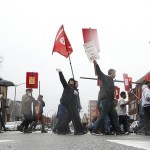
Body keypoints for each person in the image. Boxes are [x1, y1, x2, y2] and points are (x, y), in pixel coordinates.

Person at [90, 60, 122, 135]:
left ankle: (118, 130)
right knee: (103, 115)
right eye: (114, 73)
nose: (115, 74)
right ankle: (94, 129)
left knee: (114, 115)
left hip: (110, 101)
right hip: (106, 100)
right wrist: (96, 64)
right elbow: (99, 73)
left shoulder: (111, 80)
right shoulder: (106, 78)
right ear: (110, 73)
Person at [56, 68, 85, 135]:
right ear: (68, 82)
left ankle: (60, 129)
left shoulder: (75, 90)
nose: (71, 82)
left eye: (73, 81)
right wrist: (60, 73)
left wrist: (79, 106)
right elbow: (62, 80)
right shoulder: (67, 87)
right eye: (70, 81)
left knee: (69, 117)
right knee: (76, 117)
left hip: (73, 105)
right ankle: (78, 131)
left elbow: (77, 100)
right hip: (68, 104)